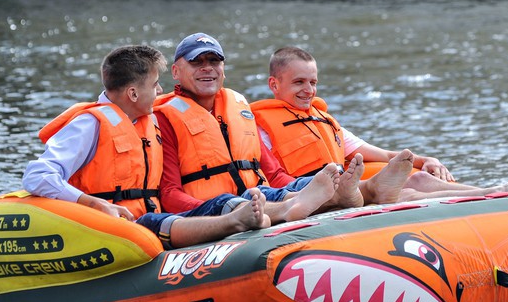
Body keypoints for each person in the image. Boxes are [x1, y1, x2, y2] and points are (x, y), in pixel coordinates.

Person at [22, 44, 269, 250]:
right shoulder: (88, 125)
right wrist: (93, 203)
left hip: (148, 222)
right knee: (154, 221)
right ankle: (234, 222)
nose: (161, 91)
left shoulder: (148, 123)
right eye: (154, 85)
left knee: (218, 201)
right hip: (109, 229)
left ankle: (269, 210)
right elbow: (37, 175)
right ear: (132, 93)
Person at [250, 46, 508, 202]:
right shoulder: (260, 127)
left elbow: (381, 154)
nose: (309, 90)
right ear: (274, 84)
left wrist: (425, 160)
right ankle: (502, 193)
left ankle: (502, 191)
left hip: (344, 183)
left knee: (417, 177)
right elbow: (275, 178)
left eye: (313, 82)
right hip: (313, 191)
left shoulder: (322, 120)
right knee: (405, 193)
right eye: (299, 83)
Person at [153, 33, 368, 221]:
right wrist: (210, 212)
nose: (207, 67)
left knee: (303, 185)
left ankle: (368, 188)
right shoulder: (165, 119)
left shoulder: (238, 109)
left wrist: (304, 188)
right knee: (248, 201)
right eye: (196, 62)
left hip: (260, 194)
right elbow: (170, 193)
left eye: (214, 61)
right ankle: (315, 201)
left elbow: (273, 174)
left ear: (223, 69)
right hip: (217, 206)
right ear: (175, 72)